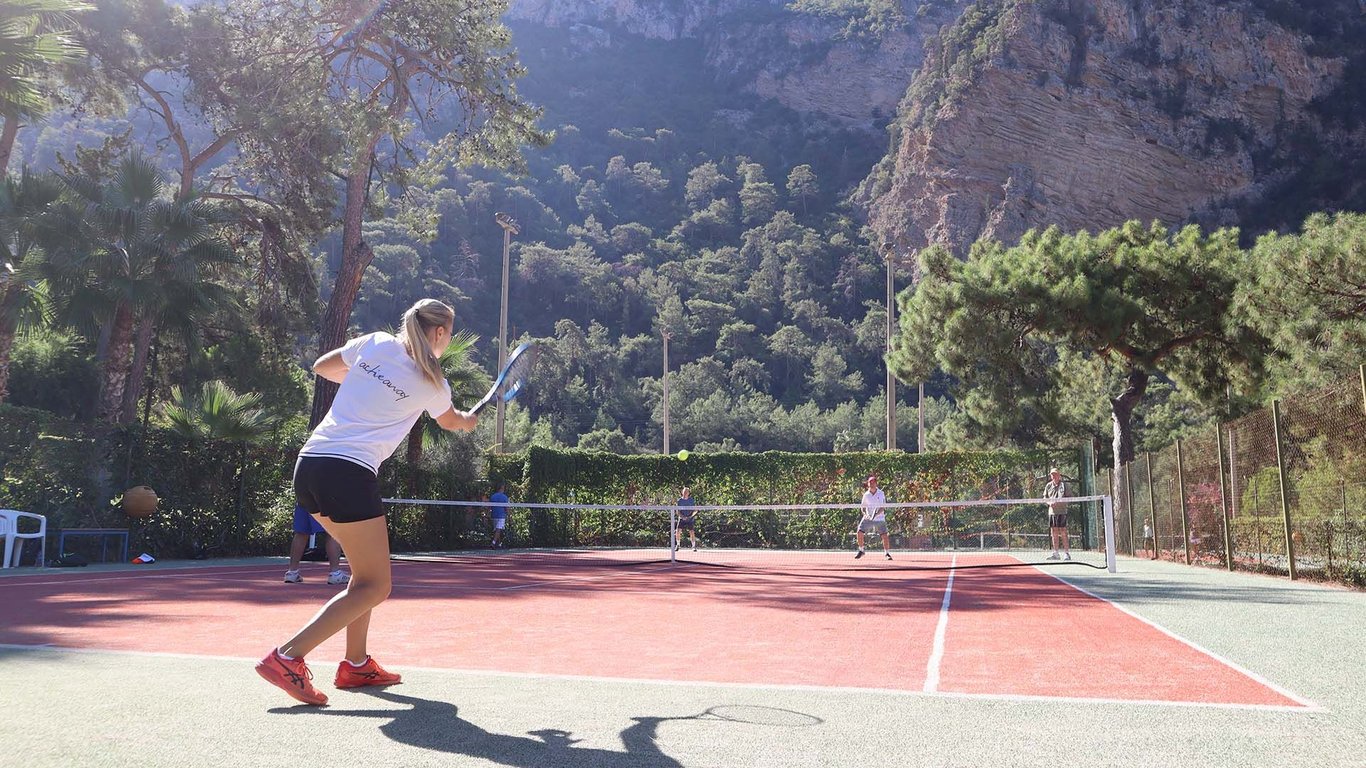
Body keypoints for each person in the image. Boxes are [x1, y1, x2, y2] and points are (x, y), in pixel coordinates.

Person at [255, 299, 477, 706]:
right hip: (348, 474)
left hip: (309, 467)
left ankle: (356, 664)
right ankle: (287, 657)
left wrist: (369, 383)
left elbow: (323, 366)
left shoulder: (374, 343)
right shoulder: (433, 381)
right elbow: (452, 422)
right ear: (440, 334)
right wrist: (467, 419)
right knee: (377, 585)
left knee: (363, 575)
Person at [284, 502, 348, 585]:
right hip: (326, 496)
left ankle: (292, 572)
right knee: (333, 531)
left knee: (301, 532)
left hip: (304, 494)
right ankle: (335, 573)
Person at [856, 475, 892, 560]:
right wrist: (866, 514)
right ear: (868, 484)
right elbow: (863, 507)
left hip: (880, 518)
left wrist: (876, 514)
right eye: (870, 482)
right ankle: (861, 550)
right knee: (859, 532)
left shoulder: (881, 493)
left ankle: (887, 553)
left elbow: (883, 507)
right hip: (867, 518)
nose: (872, 484)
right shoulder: (866, 495)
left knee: (884, 535)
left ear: (876, 483)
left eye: (873, 482)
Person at [1044, 467, 1071, 560]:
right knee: (1054, 532)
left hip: (1062, 512)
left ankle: (1066, 553)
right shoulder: (1048, 486)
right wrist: (1049, 503)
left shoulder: (1064, 485)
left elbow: (1069, 497)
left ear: (1059, 475)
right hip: (1052, 513)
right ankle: (1056, 553)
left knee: (1063, 531)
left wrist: (1059, 502)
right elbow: (1045, 498)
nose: (1054, 476)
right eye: (1052, 474)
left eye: (1055, 474)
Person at [674, 486, 698, 551]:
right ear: (682, 492)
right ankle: (678, 545)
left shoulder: (691, 500)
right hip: (682, 518)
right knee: (678, 531)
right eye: (684, 492)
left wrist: (690, 516)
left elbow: (695, 510)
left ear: (688, 493)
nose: (685, 493)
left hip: (690, 519)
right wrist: (682, 517)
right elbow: (677, 511)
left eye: (686, 492)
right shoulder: (679, 501)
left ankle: (693, 546)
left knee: (692, 532)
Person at [489, 482, 509, 549]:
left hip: (494, 515)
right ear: (501, 488)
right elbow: (507, 508)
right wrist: (509, 516)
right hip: (501, 516)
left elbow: (490, 507)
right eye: (503, 488)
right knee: (498, 530)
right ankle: (493, 543)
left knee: (498, 530)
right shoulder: (505, 497)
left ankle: (499, 544)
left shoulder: (492, 496)